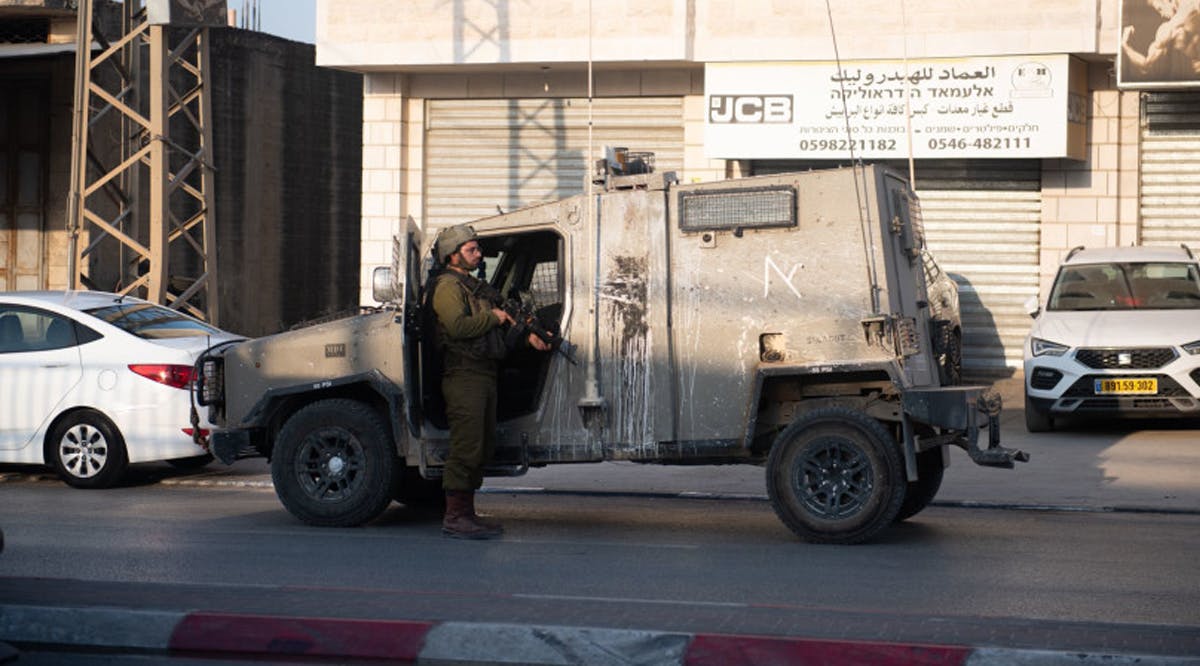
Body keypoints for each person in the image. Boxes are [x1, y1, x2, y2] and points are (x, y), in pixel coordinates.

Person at [429, 224, 550, 539]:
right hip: (464, 373)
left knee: (481, 445)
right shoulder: (447, 287)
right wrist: (493, 317)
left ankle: (467, 513)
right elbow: (456, 327)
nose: (478, 254)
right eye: (471, 250)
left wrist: (528, 339)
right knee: (467, 445)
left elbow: (499, 331)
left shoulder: (473, 286)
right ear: (452, 256)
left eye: (476, 248)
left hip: (483, 372)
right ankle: (455, 517)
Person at [1122, 0, 1200, 81]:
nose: (1162, 15)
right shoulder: (1195, 4)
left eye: (1160, 9)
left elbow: (1146, 65)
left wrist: (1126, 46)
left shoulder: (1167, 30)